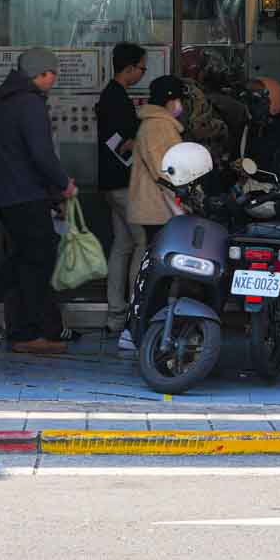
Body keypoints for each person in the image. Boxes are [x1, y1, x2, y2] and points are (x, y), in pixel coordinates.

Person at [0, 49, 75, 355]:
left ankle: (23, 331)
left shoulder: (3, 101)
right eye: (53, 73)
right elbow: (41, 153)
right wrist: (63, 183)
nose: (54, 79)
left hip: (7, 194)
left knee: (29, 258)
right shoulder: (30, 104)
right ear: (41, 74)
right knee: (37, 256)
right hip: (25, 193)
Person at [123, 76, 189, 350]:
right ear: (170, 99)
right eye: (180, 99)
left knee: (152, 267)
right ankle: (137, 328)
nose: (182, 105)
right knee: (155, 272)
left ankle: (142, 326)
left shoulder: (157, 125)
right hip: (158, 209)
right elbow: (166, 171)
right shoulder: (158, 127)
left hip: (157, 208)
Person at [94, 42, 147, 343]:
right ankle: (134, 313)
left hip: (110, 184)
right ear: (129, 68)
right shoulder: (117, 99)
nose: (142, 73)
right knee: (141, 242)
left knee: (121, 245)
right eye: (142, 68)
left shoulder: (109, 96)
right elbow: (120, 143)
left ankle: (115, 315)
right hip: (124, 184)